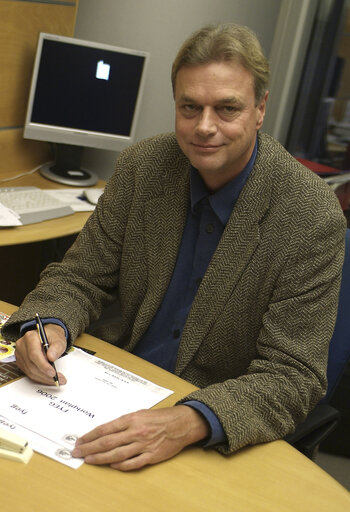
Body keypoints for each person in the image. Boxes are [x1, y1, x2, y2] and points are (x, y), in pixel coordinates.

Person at [2, 23, 346, 471]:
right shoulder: (143, 167)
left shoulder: (309, 213)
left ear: (260, 109)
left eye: (227, 108)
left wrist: (188, 421)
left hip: (207, 425)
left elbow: (292, 376)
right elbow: (80, 276)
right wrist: (48, 324)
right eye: (190, 107)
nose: (205, 127)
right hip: (100, 390)